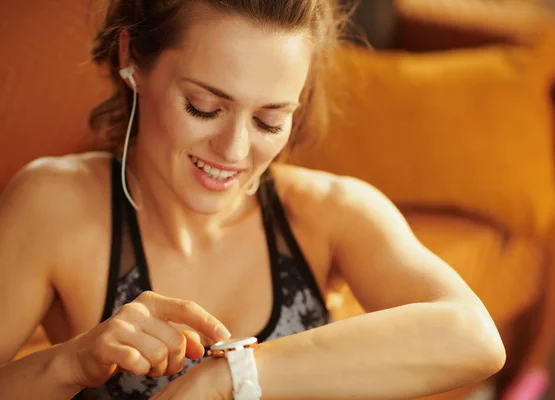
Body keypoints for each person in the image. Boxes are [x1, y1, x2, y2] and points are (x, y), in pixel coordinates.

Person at [0, 0, 506, 399]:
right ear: (131, 57)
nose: (236, 150)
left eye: (269, 120)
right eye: (203, 107)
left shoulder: (327, 213)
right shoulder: (54, 205)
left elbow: (474, 339)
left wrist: (228, 378)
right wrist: (69, 364)